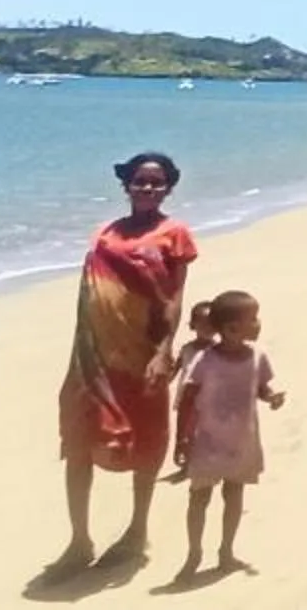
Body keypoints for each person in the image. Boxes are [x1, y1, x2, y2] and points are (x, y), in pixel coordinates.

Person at [53, 152, 197, 574]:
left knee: (147, 440)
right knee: (78, 440)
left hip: (142, 355)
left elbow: (173, 298)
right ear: (127, 185)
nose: (147, 188)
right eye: (140, 181)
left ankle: (137, 531)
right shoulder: (104, 232)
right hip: (91, 356)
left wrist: (163, 351)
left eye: (156, 182)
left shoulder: (175, 233)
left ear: (168, 187)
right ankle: (79, 540)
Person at [173, 290, 285, 584]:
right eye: (253, 319)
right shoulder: (204, 360)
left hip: (241, 441)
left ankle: (226, 551)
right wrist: (182, 439)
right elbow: (188, 399)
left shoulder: (258, 356)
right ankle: (194, 553)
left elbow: (260, 387)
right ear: (232, 328)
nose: (258, 323)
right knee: (199, 498)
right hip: (207, 443)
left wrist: (271, 396)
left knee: (234, 494)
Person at [162, 300, 216, 485]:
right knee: (184, 433)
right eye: (203, 325)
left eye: (212, 325)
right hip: (187, 399)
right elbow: (174, 372)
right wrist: (164, 376)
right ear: (193, 326)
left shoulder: (219, 350)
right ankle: (186, 465)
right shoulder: (187, 349)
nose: (207, 329)